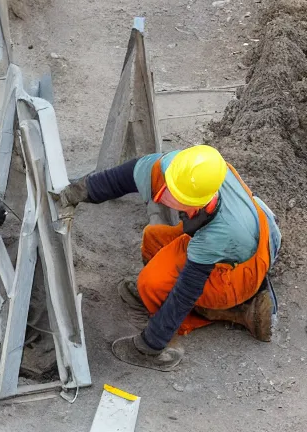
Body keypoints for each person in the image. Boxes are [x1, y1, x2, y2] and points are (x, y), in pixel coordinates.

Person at [61, 145, 281, 371]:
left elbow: (187, 290)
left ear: (197, 202)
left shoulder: (219, 233)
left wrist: (150, 345)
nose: (163, 194)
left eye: (173, 195)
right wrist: (75, 193)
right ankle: (164, 301)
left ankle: (240, 311)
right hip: (244, 231)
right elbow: (124, 177)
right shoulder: (185, 168)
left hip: (247, 265)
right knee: (152, 239)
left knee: (152, 283)